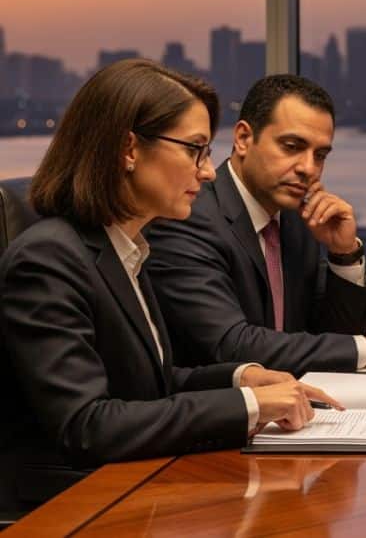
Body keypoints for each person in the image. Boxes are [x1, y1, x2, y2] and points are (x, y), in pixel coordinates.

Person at [0, 59, 338, 509]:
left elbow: (154, 383)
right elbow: (88, 424)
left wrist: (245, 377)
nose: (208, 171)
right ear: (129, 149)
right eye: (194, 149)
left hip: (138, 486)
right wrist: (251, 407)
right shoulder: (47, 259)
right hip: (70, 506)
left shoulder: (125, 249)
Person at [145, 74, 366, 375]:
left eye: (320, 155)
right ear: (243, 139)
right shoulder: (186, 218)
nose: (309, 168)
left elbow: (334, 339)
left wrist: (343, 253)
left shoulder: (296, 217)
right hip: (220, 412)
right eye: (292, 146)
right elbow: (230, 345)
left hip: (295, 408)